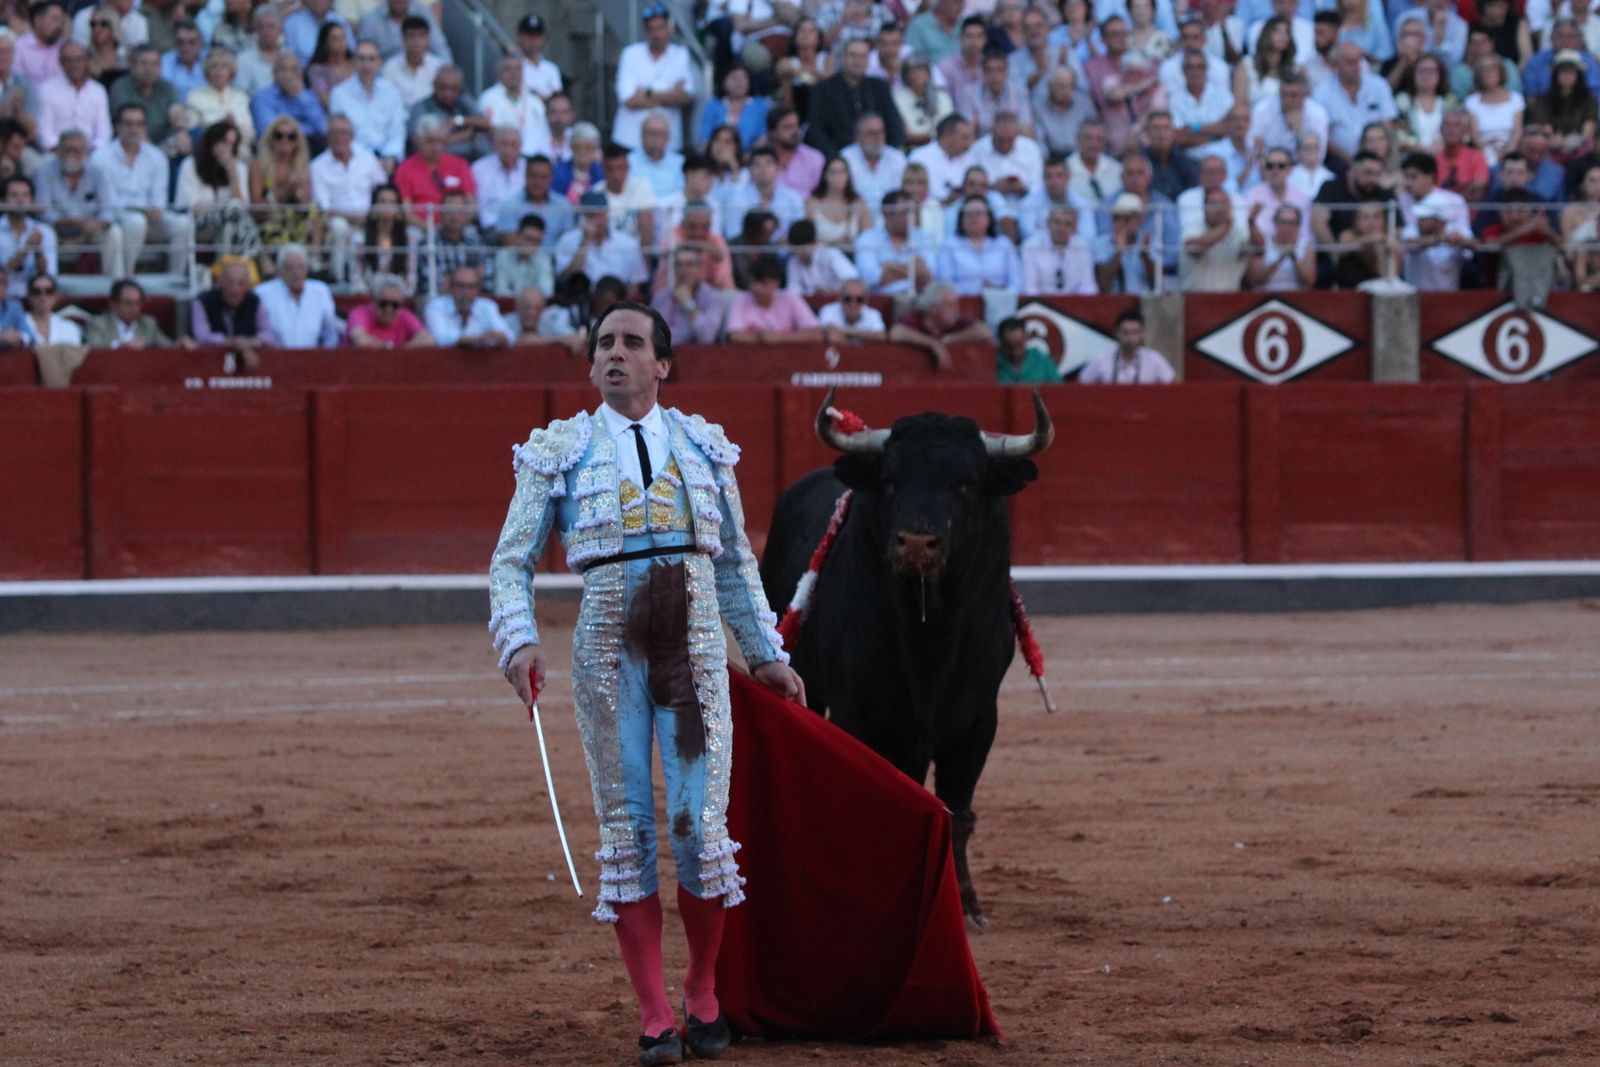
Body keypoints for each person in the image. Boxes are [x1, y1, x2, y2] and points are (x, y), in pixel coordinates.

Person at [488, 298, 802, 1066]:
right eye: (604, 344)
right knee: (627, 829)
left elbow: (733, 565)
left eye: (632, 343)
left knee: (698, 823)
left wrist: (763, 649)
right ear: (592, 362)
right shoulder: (557, 450)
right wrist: (519, 640)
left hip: (692, 647)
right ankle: (655, 1012)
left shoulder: (703, 447)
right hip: (606, 651)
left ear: (663, 363)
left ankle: (701, 987)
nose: (615, 354)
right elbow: (510, 561)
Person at [90, 102, 179, 275]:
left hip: (149, 217)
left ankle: (175, 277)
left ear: (145, 127)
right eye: (128, 124)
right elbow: (109, 204)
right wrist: (141, 210)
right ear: (117, 126)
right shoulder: (101, 158)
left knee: (183, 226)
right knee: (136, 221)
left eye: (139, 124)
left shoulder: (157, 156)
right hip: (117, 217)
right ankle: (126, 278)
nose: (134, 129)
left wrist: (155, 210)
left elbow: (158, 197)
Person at [612, 4, 695, 152]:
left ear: (669, 28)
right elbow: (628, 99)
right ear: (645, 32)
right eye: (651, 29)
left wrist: (647, 93)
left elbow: (685, 97)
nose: (657, 34)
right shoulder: (630, 54)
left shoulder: (681, 54)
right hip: (630, 139)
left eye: (661, 28)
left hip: (668, 143)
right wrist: (669, 95)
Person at [806, 38, 904, 157]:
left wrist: (890, 154)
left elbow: (894, 124)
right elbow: (816, 130)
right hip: (837, 157)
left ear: (868, 60)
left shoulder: (879, 87)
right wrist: (835, 159)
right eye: (853, 55)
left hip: (878, 155)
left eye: (863, 56)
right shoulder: (824, 89)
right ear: (843, 58)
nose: (858, 61)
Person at [557, 189, 649, 294]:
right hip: (581, 300)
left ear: (607, 213)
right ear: (583, 215)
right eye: (591, 215)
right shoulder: (567, 240)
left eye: (600, 214)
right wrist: (585, 241)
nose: (597, 220)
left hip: (618, 302)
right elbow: (568, 278)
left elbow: (635, 283)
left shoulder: (627, 243)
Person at [330, 40, 407, 164]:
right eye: (361, 59)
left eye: (371, 59)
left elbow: (397, 131)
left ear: (380, 63)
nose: (366, 65)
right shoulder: (339, 94)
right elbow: (340, 134)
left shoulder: (392, 92)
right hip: (353, 159)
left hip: (387, 160)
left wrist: (390, 156)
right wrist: (368, 161)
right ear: (353, 61)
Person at [394, 113, 476, 226]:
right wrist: (434, 231)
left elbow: (471, 205)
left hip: (458, 229)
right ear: (418, 140)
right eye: (431, 141)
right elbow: (406, 213)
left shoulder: (460, 165)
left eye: (441, 141)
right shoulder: (405, 169)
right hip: (419, 228)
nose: (436, 147)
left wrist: (454, 228)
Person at [889, 281, 993, 369]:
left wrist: (950, 339)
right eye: (949, 305)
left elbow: (985, 332)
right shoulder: (916, 318)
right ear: (932, 309)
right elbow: (896, 333)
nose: (956, 310)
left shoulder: (956, 320)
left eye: (956, 305)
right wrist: (933, 344)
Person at [256, 243, 342, 347]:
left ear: (307, 269)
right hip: (276, 358)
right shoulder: (263, 293)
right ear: (280, 270)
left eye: (300, 267)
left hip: (312, 359)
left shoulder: (320, 291)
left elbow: (330, 334)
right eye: (289, 268)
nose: (296, 273)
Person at [725, 253, 823, 344]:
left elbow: (816, 333)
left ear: (777, 283)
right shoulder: (742, 299)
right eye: (754, 282)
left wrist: (778, 338)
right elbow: (734, 335)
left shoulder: (790, 298)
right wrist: (761, 338)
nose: (756, 288)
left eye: (764, 283)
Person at [191, 258, 273, 362]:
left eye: (240, 283)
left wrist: (250, 343)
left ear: (248, 286)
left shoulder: (255, 302)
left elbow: (269, 337)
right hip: (208, 364)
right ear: (220, 282)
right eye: (229, 282)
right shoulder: (202, 301)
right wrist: (231, 343)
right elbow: (201, 337)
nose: (234, 289)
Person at [854, 188, 933, 295]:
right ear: (888, 213)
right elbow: (873, 279)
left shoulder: (923, 238)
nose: (911, 217)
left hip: (920, 299)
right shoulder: (867, 239)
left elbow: (928, 275)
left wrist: (891, 267)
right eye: (905, 212)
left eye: (912, 212)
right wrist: (914, 269)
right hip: (883, 299)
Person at [408, 64, 490, 161]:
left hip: (471, 161)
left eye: (453, 89)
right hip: (438, 162)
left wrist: (456, 121)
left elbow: (486, 123)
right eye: (443, 88)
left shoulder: (463, 101)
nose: (448, 93)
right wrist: (464, 135)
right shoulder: (420, 108)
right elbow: (420, 144)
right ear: (434, 85)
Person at [38, 40, 110, 151]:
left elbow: (104, 132)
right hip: (56, 154)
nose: (74, 64)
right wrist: (62, 151)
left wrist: (91, 151)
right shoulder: (47, 89)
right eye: (68, 60)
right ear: (60, 62)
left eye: (78, 59)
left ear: (86, 61)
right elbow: (44, 132)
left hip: (91, 154)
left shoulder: (98, 91)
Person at [650, 242, 724, 344]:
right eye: (679, 265)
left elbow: (707, 337)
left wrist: (688, 303)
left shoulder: (712, 297)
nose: (684, 270)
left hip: (697, 355)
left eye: (689, 264)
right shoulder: (661, 296)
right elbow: (651, 334)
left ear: (699, 268)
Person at [495, 153, 575, 247]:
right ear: (525, 176)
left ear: (551, 178)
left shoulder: (563, 205)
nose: (538, 181)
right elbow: (509, 246)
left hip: (554, 260)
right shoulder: (509, 205)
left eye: (543, 177)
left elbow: (568, 244)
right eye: (533, 176)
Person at [422, 263, 508, 347]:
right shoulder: (435, 306)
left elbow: (508, 335)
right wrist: (473, 339)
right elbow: (438, 337)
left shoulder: (487, 306)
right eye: (460, 286)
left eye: (471, 286)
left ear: (478, 290)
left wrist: (499, 337)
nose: (466, 292)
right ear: (451, 288)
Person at [1079, 308, 1174, 383]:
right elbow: (1082, 385)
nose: (1131, 338)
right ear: (1117, 333)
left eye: (1135, 332)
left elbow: (1173, 387)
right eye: (1126, 332)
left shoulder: (1154, 359)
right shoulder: (1102, 358)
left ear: (1142, 334)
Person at [0, 175, 57, 298]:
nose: (20, 200)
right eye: (14, 195)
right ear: (3, 200)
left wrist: (38, 251)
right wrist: (25, 251)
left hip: (34, 299)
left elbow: (48, 277)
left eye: (25, 195)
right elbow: (1, 275)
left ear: (32, 200)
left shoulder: (45, 232)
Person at [85, 277, 183, 347]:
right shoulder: (98, 324)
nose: (134, 308)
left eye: (138, 303)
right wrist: (120, 347)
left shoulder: (148, 324)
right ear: (113, 304)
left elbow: (167, 348)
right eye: (128, 303)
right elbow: (95, 352)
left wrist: (180, 345)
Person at [1022, 203, 1096, 293]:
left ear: (1075, 228)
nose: (1061, 228)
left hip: (1074, 303)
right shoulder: (1031, 246)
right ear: (1048, 223)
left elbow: (1088, 286)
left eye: (1068, 224)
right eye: (1057, 222)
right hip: (1039, 303)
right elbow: (1030, 288)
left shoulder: (1083, 247)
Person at [186, 48, 254, 145]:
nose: (219, 71)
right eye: (214, 66)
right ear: (207, 71)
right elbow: (193, 130)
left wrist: (235, 128)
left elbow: (250, 133)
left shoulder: (241, 97)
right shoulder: (195, 97)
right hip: (208, 149)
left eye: (224, 67)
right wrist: (221, 126)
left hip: (240, 149)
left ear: (231, 72)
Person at [346, 273, 432, 347]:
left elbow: (428, 339)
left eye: (395, 305)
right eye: (383, 303)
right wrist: (390, 349)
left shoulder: (404, 315)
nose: (388, 309)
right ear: (374, 300)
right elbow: (360, 340)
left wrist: (400, 351)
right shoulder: (359, 313)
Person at [698, 63, 767, 152]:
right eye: (734, 77)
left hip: (751, 160)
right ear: (724, 82)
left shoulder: (761, 105)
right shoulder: (712, 105)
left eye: (744, 77)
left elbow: (763, 137)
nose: (739, 81)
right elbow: (705, 138)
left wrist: (748, 157)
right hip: (718, 158)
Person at [1246, 203, 1316, 289]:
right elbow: (1253, 280)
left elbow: (1310, 281)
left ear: (1298, 225)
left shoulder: (1305, 246)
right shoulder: (1262, 243)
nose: (1287, 227)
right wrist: (1280, 258)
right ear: (1275, 222)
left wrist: (1293, 256)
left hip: (1295, 298)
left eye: (1291, 223)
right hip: (1264, 298)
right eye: (1283, 222)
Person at [382, 15, 444, 109]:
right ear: (403, 40)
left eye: (421, 35)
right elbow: (386, 102)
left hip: (432, 119)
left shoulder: (439, 67)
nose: (417, 41)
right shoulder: (390, 68)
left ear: (428, 39)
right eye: (412, 36)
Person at [504, 284, 586, 353]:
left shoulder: (548, 320)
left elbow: (575, 337)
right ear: (517, 308)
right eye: (526, 307)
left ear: (543, 309)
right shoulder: (505, 322)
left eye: (537, 308)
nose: (531, 313)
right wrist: (557, 340)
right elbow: (518, 341)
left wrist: (574, 340)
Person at [784, 218, 857, 294]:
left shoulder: (831, 254)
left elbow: (853, 280)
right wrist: (813, 293)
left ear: (814, 242)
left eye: (802, 250)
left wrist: (832, 289)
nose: (799, 254)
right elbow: (793, 291)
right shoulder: (793, 261)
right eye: (796, 250)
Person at [817, 276, 886, 344]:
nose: (853, 304)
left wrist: (848, 332)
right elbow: (831, 334)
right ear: (840, 298)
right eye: (848, 299)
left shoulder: (873, 314)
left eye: (859, 299)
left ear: (866, 300)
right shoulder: (828, 311)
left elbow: (881, 336)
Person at [20, 271, 80, 344]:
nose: (43, 297)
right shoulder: (18, 326)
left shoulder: (69, 328)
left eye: (49, 291)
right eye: (36, 292)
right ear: (29, 296)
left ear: (55, 296)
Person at [995, 314, 1059, 383]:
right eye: (1009, 347)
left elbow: (1060, 389)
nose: (1016, 352)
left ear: (1026, 338)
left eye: (1020, 346)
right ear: (1001, 342)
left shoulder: (1042, 361)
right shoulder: (993, 363)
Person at [513, 13, 562, 100]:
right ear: (520, 36)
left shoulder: (551, 69)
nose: (533, 40)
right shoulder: (512, 66)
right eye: (529, 35)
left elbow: (557, 99)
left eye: (537, 36)